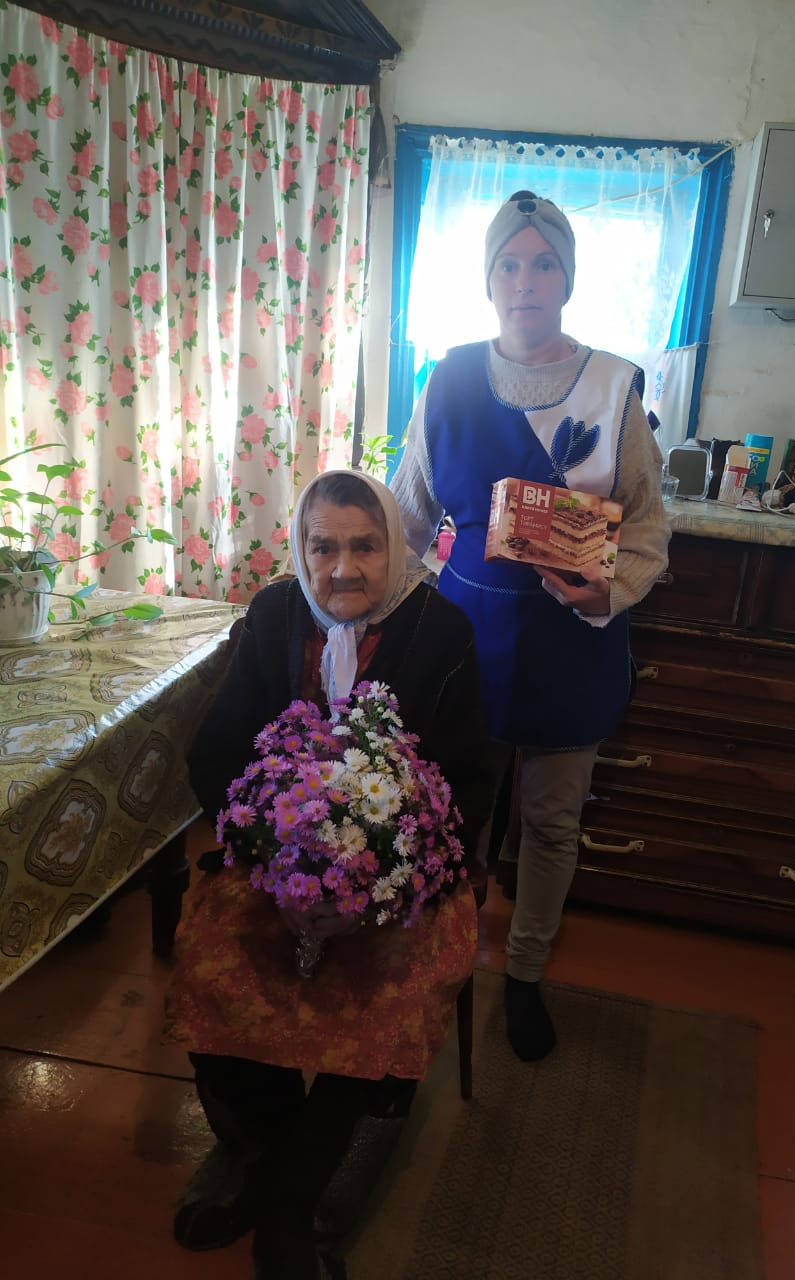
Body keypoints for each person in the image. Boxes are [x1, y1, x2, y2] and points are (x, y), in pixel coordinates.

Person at [165, 470, 495, 1280]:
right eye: (323, 547)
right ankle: (267, 1144)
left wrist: (384, 874)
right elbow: (217, 753)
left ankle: (290, 1200)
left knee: (384, 990)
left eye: (365, 546)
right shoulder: (276, 613)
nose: (343, 568)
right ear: (300, 549)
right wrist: (275, 862)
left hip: (405, 876)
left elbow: (468, 782)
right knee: (211, 963)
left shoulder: (441, 630)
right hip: (275, 868)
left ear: (396, 547)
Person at [390, 190, 671, 1063]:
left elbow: (648, 529)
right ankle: (442, 961)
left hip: (571, 642)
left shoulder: (614, 387)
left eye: (544, 263)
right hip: (464, 643)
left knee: (549, 823)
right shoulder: (447, 379)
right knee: (454, 815)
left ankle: (523, 973)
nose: (526, 281)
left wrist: (603, 594)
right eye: (509, 264)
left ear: (568, 277)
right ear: (487, 279)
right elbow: (407, 518)